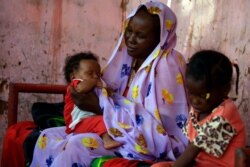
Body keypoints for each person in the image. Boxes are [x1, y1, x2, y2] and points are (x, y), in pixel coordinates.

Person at [30, 1, 189, 167]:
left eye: (140, 35)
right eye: (129, 31)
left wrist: (101, 108)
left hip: (142, 143)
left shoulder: (167, 65)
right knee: (48, 136)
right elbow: (107, 93)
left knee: (77, 145)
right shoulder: (128, 60)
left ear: (161, 38)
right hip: (113, 128)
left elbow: (156, 130)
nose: (131, 39)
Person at [151, 50, 246, 167]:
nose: (195, 101)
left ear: (224, 90)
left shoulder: (225, 115)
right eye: (191, 93)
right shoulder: (200, 108)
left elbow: (193, 149)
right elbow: (191, 147)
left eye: (203, 95)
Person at [63, 52, 122, 149]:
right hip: (77, 123)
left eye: (98, 74)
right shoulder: (75, 84)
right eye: (89, 73)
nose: (95, 77)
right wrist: (96, 81)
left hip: (87, 120)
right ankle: (107, 141)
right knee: (101, 121)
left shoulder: (91, 85)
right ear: (73, 76)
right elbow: (81, 89)